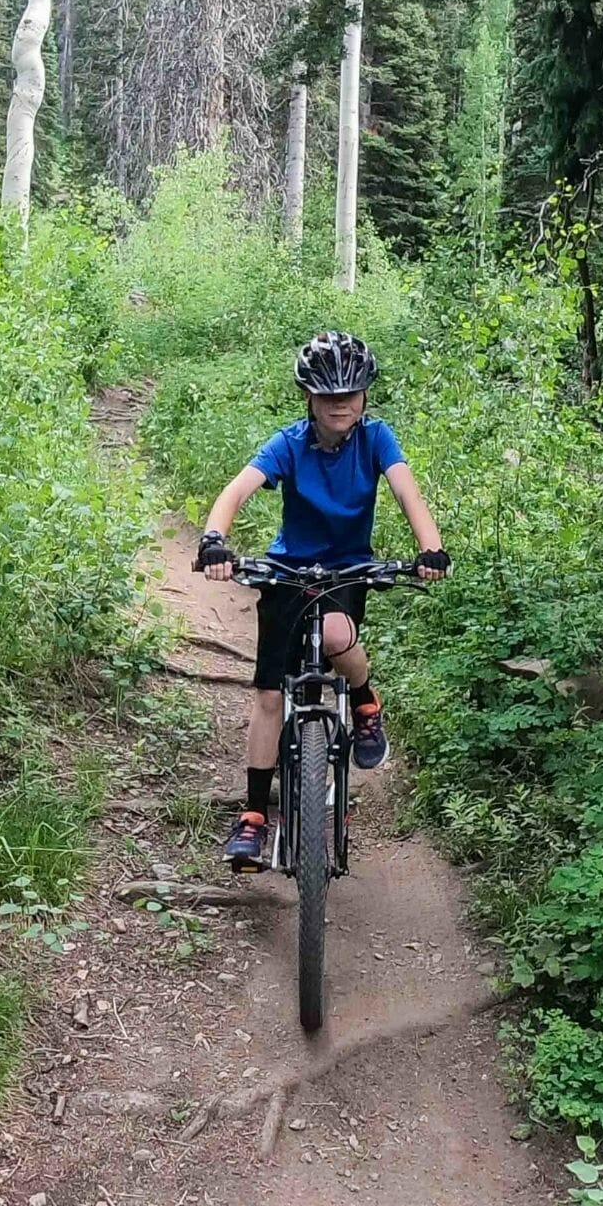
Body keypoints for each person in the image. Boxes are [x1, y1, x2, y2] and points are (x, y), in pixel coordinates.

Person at [196, 331, 449, 866]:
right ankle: (254, 817)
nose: (341, 405)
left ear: (364, 396)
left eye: (350, 394)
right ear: (308, 397)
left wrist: (430, 549)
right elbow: (237, 489)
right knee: (268, 697)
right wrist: (215, 539)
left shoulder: (377, 439)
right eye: (328, 396)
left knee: (336, 635)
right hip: (288, 572)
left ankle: (364, 700)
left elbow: (408, 493)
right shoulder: (288, 443)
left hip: (347, 569)